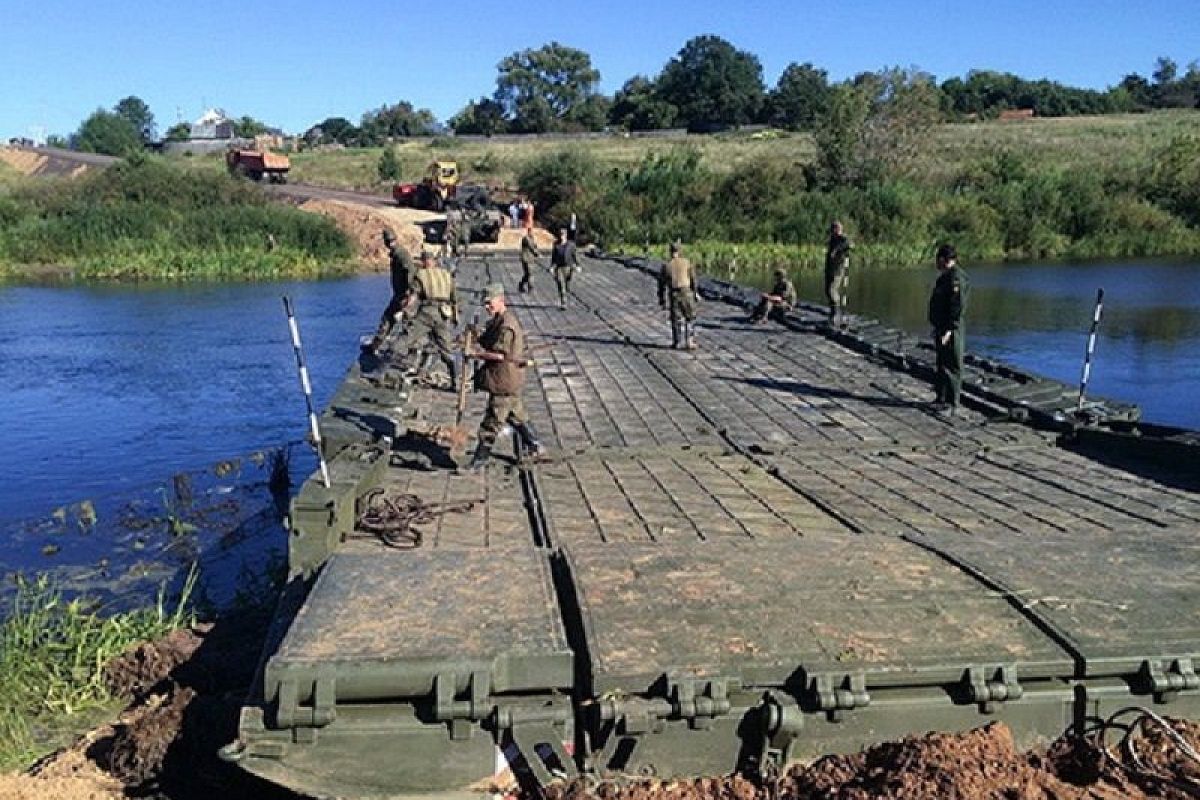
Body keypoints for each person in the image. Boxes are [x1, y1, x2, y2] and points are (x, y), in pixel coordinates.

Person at [462, 284, 544, 470]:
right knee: (516, 415)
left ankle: (479, 460)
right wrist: (475, 335)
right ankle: (536, 445)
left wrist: (475, 354)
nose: (487, 307)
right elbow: (488, 340)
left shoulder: (507, 325)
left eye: (490, 303)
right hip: (508, 379)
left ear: (501, 300)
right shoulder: (498, 321)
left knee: (492, 421)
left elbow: (500, 355)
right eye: (485, 304)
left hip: (504, 378)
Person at [402, 251, 459, 390]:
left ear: (423, 262)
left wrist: (405, 310)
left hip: (427, 312)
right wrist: (455, 317)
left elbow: (413, 296)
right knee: (446, 349)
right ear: (434, 261)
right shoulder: (446, 275)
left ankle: (386, 367)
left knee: (406, 339)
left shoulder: (421, 275)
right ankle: (455, 380)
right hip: (443, 314)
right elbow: (455, 299)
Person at [928, 243, 970, 416]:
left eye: (938, 259)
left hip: (951, 329)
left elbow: (956, 308)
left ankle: (952, 404)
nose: (936, 263)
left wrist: (949, 330)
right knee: (941, 363)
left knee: (952, 364)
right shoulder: (944, 277)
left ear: (944, 260)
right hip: (941, 326)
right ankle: (941, 397)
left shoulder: (956, 279)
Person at [366, 229, 413, 354]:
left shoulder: (401, 254)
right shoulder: (397, 254)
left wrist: (409, 292)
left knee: (393, 319)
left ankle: (379, 346)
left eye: (390, 241)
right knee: (390, 319)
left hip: (403, 294)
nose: (389, 244)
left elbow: (410, 271)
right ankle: (376, 345)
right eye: (389, 241)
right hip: (400, 294)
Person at [657, 241, 699, 349]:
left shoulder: (666, 265)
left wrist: (661, 299)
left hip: (674, 293)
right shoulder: (687, 262)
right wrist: (695, 293)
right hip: (686, 291)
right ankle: (689, 341)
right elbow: (693, 279)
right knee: (690, 317)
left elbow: (661, 284)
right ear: (680, 251)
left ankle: (677, 342)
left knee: (676, 318)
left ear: (670, 251)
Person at [824, 220, 852, 327]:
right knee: (827, 290)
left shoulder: (842, 239)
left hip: (837, 270)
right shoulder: (832, 239)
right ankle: (832, 312)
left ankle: (836, 313)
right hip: (829, 269)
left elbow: (848, 244)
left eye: (833, 229)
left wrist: (836, 250)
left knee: (832, 290)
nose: (831, 231)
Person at [550, 227, 579, 309]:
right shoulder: (556, 244)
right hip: (559, 268)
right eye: (560, 234)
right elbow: (554, 256)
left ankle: (565, 294)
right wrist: (552, 266)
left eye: (562, 235)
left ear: (565, 235)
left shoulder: (571, 245)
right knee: (560, 283)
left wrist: (578, 265)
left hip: (568, 267)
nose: (561, 236)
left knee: (567, 285)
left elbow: (575, 255)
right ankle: (564, 302)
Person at [519, 229, 541, 293]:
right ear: (528, 232)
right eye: (531, 232)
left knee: (527, 274)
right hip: (526, 259)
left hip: (530, 259)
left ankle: (521, 285)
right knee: (530, 274)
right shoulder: (526, 239)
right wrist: (538, 254)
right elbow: (532, 247)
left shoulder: (532, 238)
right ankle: (531, 288)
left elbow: (535, 246)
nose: (533, 233)